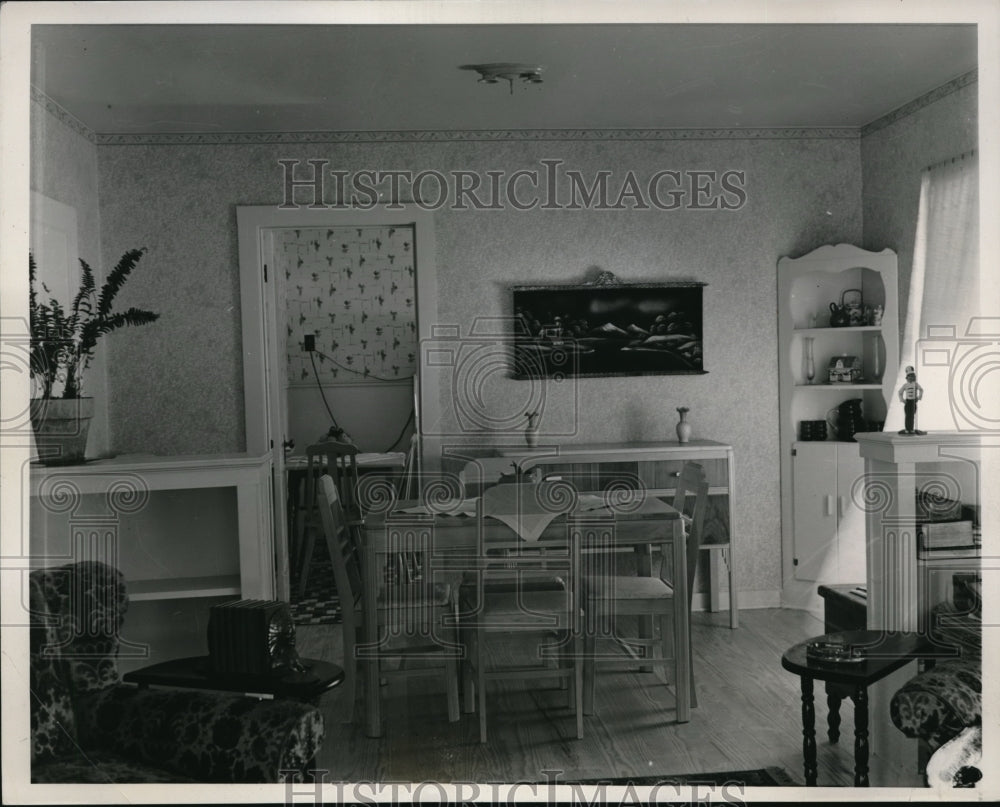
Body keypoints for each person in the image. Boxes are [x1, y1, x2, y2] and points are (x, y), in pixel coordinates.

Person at [898, 366, 925, 435]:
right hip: (908, 402)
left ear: (914, 377)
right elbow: (900, 392)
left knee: (912, 416)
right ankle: (907, 429)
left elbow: (921, 390)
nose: (910, 378)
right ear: (907, 377)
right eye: (909, 376)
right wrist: (903, 400)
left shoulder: (916, 384)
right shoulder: (905, 385)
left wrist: (918, 398)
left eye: (912, 376)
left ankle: (911, 429)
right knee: (907, 416)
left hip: (913, 402)